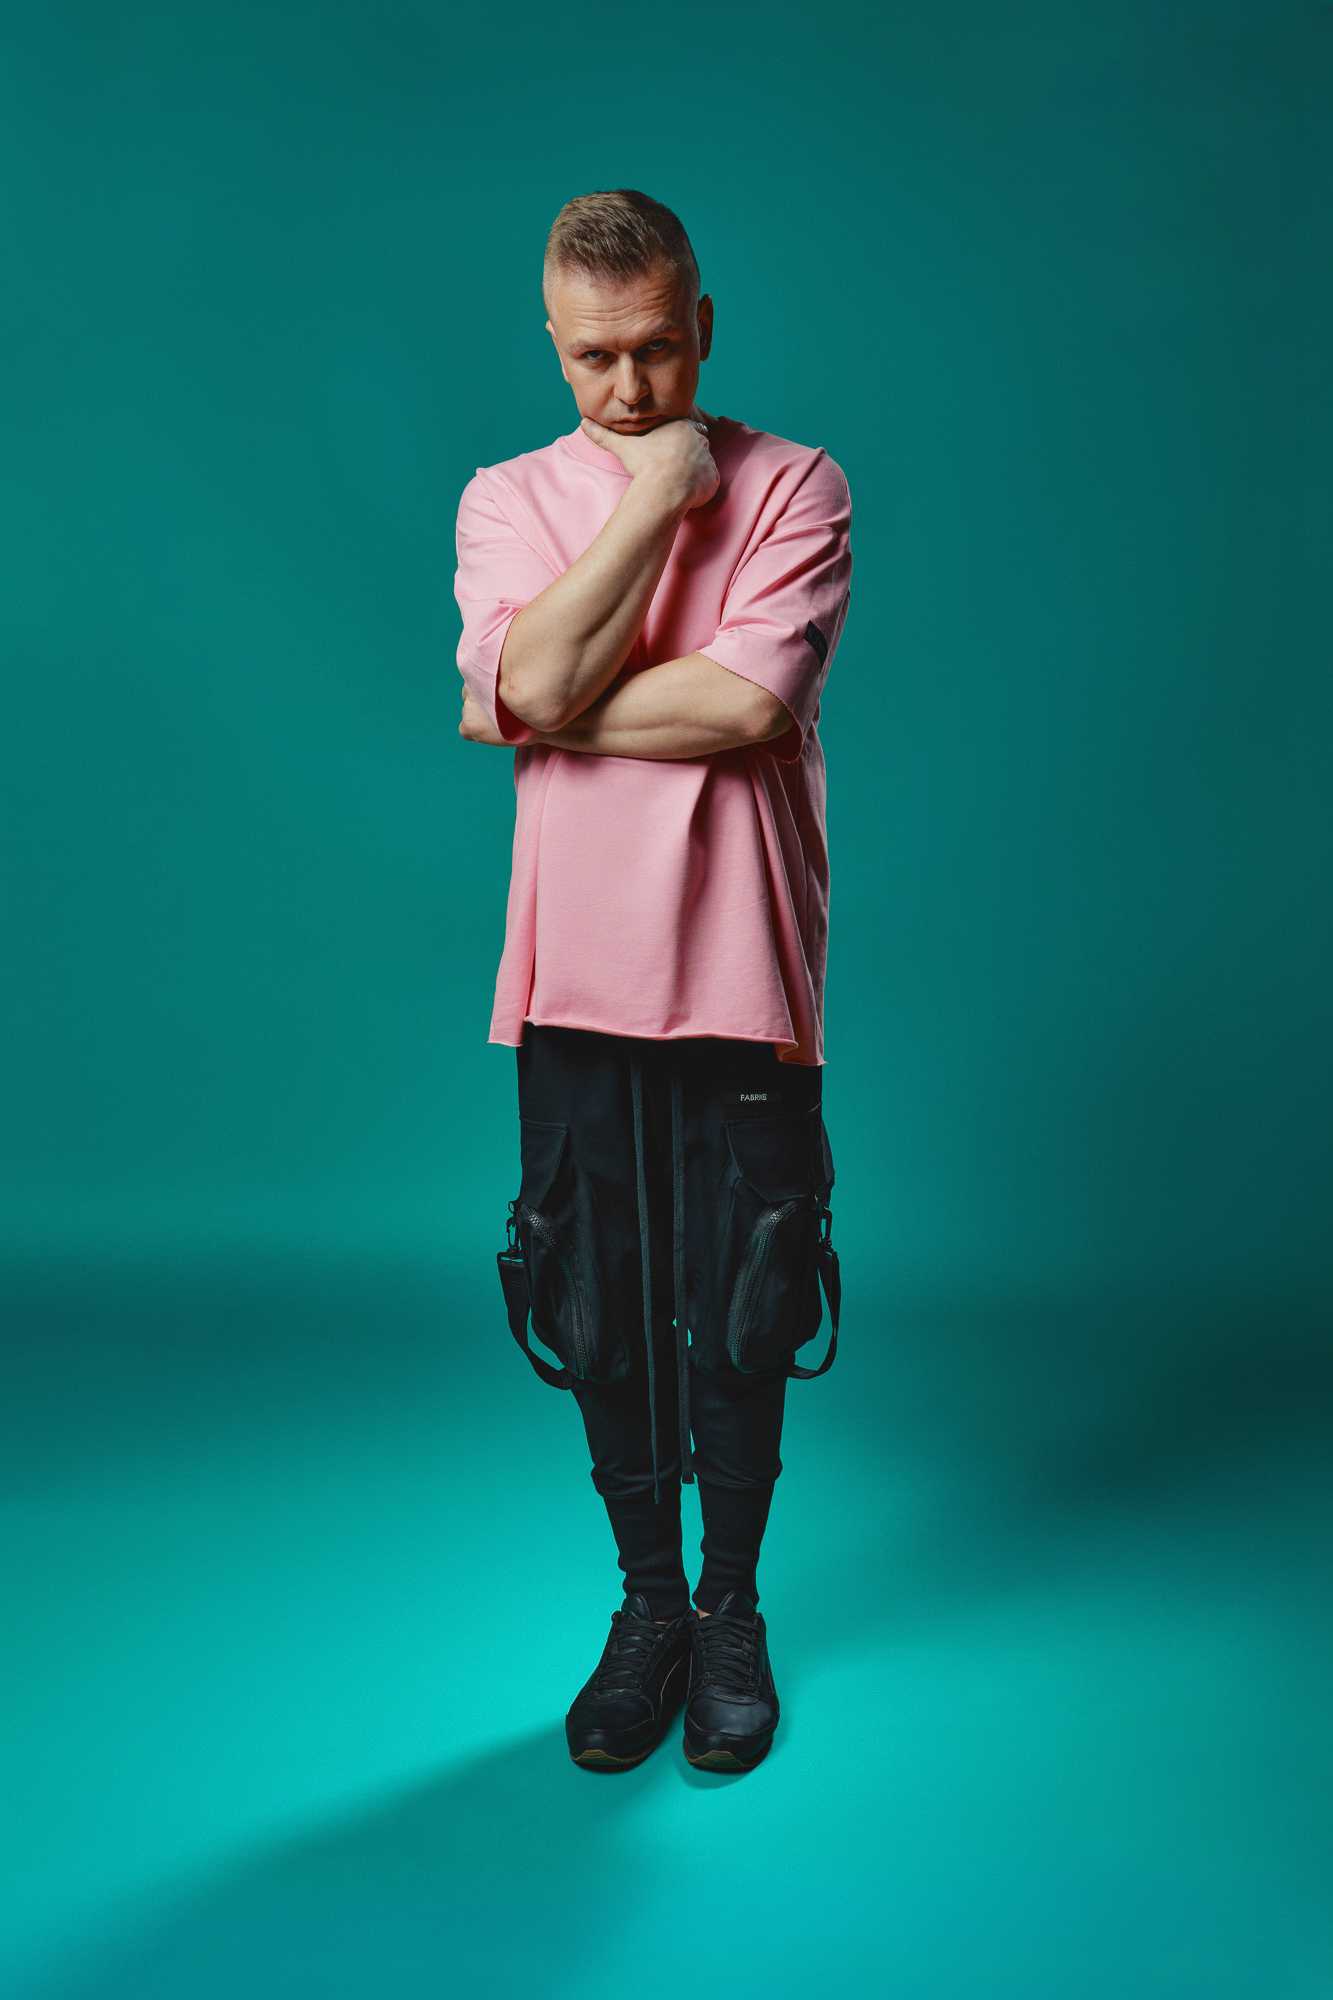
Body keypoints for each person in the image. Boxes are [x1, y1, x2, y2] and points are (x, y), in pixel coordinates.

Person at [455, 189, 850, 1773]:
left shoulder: (797, 483)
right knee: (592, 1301)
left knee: (748, 1299)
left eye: (657, 353)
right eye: (592, 359)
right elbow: (542, 678)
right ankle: (648, 1611)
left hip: (742, 965)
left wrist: (545, 698)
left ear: (703, 327)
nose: (628, 390)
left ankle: (731, 1609)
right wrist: (657, 497)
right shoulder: (505, 497)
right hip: (570, 973)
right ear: (554, 346)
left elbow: (747, 707)